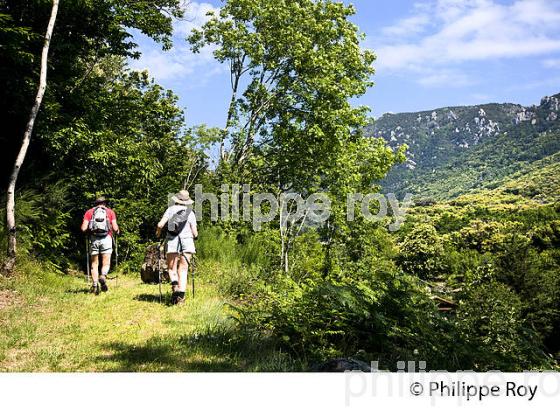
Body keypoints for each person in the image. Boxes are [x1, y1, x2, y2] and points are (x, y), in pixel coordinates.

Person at [156, 190, 198, 305]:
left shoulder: (170, 210)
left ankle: (174, 285)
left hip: (172, 241)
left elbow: (160, 224)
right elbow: (195, 233)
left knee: (171, 268)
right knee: (183, 269)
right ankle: (181, 297)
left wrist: (158, 233)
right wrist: (195, 236)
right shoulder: (191, 213)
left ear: (177, 199)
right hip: (187, 242)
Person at [81, 197, 119, 295]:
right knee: (105, 262)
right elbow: (115, 228)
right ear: (105, 203)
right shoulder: (110, 212)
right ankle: (103, 276)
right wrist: (117, 231)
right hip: (107, 238)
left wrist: (89, 231)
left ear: (96, 203)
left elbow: (83, 228)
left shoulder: (89, 212)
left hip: (94, 239)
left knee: (94, 264)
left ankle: (94, 285)